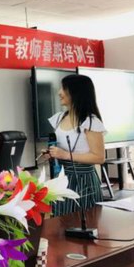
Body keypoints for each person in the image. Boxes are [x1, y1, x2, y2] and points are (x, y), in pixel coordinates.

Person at [45, 74, 106, 216]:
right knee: (61, 221)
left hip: (83, 180)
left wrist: (65, 155)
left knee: (85, 221)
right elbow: (62, 150)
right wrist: (52, 153)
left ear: (76, 92)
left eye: (63, 88)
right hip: (61, 178)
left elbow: (99, 157)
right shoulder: (59, 118)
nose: (59, 92)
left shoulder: (90, 122)